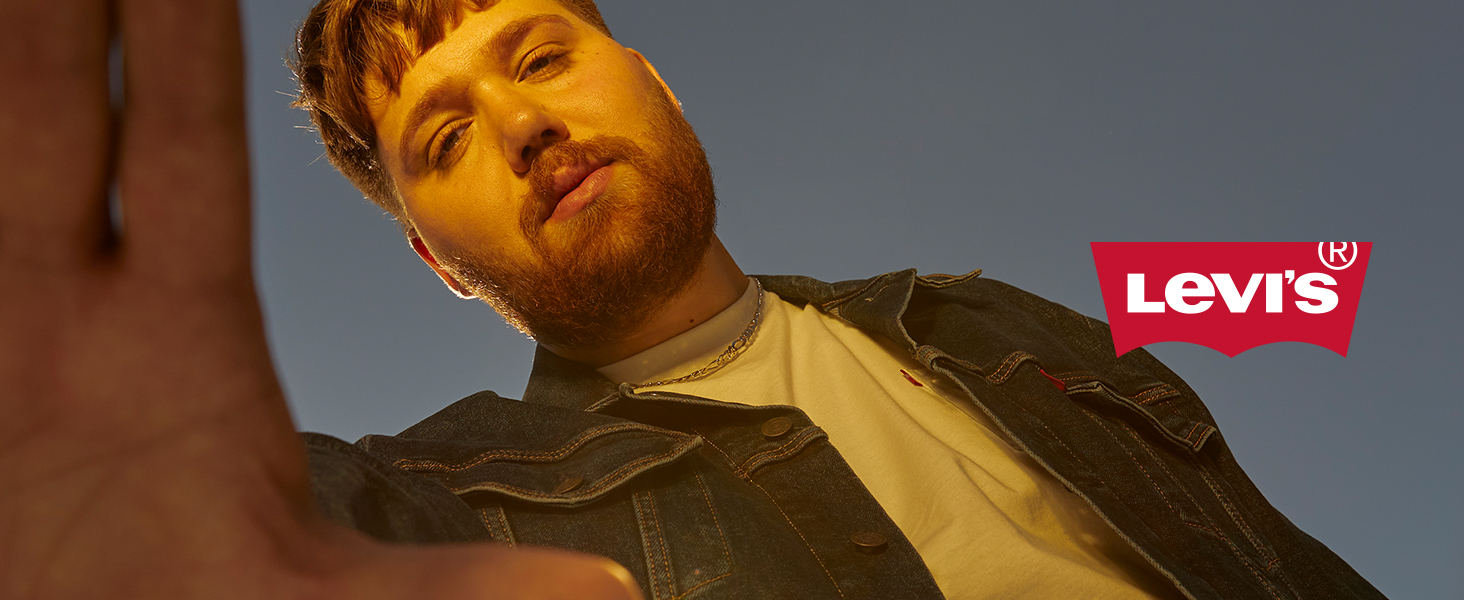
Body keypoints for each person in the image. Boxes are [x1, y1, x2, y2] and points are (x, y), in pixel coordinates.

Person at [0, 1, 1381, 599]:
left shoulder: (995, 323)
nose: (523, 127)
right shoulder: (445, 501)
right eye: (445, 138)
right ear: (434, 256)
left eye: (540, 57)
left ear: (651, 79)